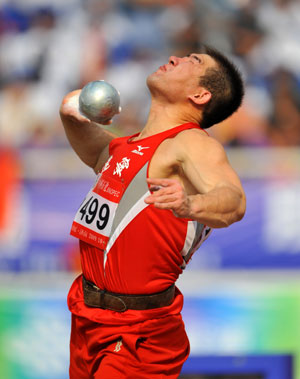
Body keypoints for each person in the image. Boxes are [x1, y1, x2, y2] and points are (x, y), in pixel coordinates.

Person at [60, 44, 246, 379]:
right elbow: (98, 150)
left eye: (192, 61)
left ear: (201, 94)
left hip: (138, 334)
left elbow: (233, 201)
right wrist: (69, 115)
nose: (175, 58)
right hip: (88, 320)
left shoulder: (190, 143)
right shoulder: (127, 148)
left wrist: (192, 204)